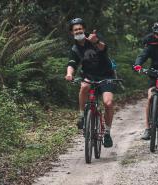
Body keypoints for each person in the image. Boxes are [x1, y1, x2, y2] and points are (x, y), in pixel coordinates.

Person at [65, 18, 115, 147]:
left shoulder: (94, 38)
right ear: (72, 33)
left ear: (84, 29)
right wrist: (69, 74)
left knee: (108, 103)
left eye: (80, 28)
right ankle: (82, 116)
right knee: (84, 86)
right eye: (75, 30)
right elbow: (72, 63)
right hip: (89, 76)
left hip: (106, 75)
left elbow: (104, 48)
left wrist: (96, 41)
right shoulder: (75, 48)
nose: (78, 31)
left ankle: (107, 133)